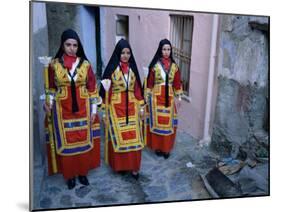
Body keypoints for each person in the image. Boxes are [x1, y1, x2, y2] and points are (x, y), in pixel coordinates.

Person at [44, 29, 102, 189]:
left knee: (82, 141)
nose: (71, 48)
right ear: (62, 45)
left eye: (75, 45)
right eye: (68, 44)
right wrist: (48, 102)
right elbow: (50, 88)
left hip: (83, 109)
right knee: (67, 144)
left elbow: (92, 88)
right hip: (62, 110)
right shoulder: (53, 65)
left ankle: (82, 172)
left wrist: (94, 111)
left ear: (79, 46)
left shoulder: (85, 64)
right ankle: (70, 175)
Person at [99, 39, 145, 180]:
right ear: (118, 53)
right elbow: (108, 90)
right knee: (118, 138)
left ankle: (135, 167)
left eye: (128, 53)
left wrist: (142, 107)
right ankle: (121, 166)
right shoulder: (112, 70)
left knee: (135, 138)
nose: (125, 55)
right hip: (116, 107)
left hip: (132, 106)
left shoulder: (133, 70)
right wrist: (104, 110)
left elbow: (137, 89)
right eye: (123, 53)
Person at [145, 39, 183, 159]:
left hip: (169, 97)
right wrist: (147, 96)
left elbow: (177, 83)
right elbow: (150, 83)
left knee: (168, 124)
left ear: (170, 51)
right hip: (156, 98)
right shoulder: (155, 66)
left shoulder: (174, 67)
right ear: (160, 50)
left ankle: (166, 149)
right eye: (164, 49)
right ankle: (158, 147)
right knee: (157, 124)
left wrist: (179, 97)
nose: (166, 52)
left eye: (168, 49)